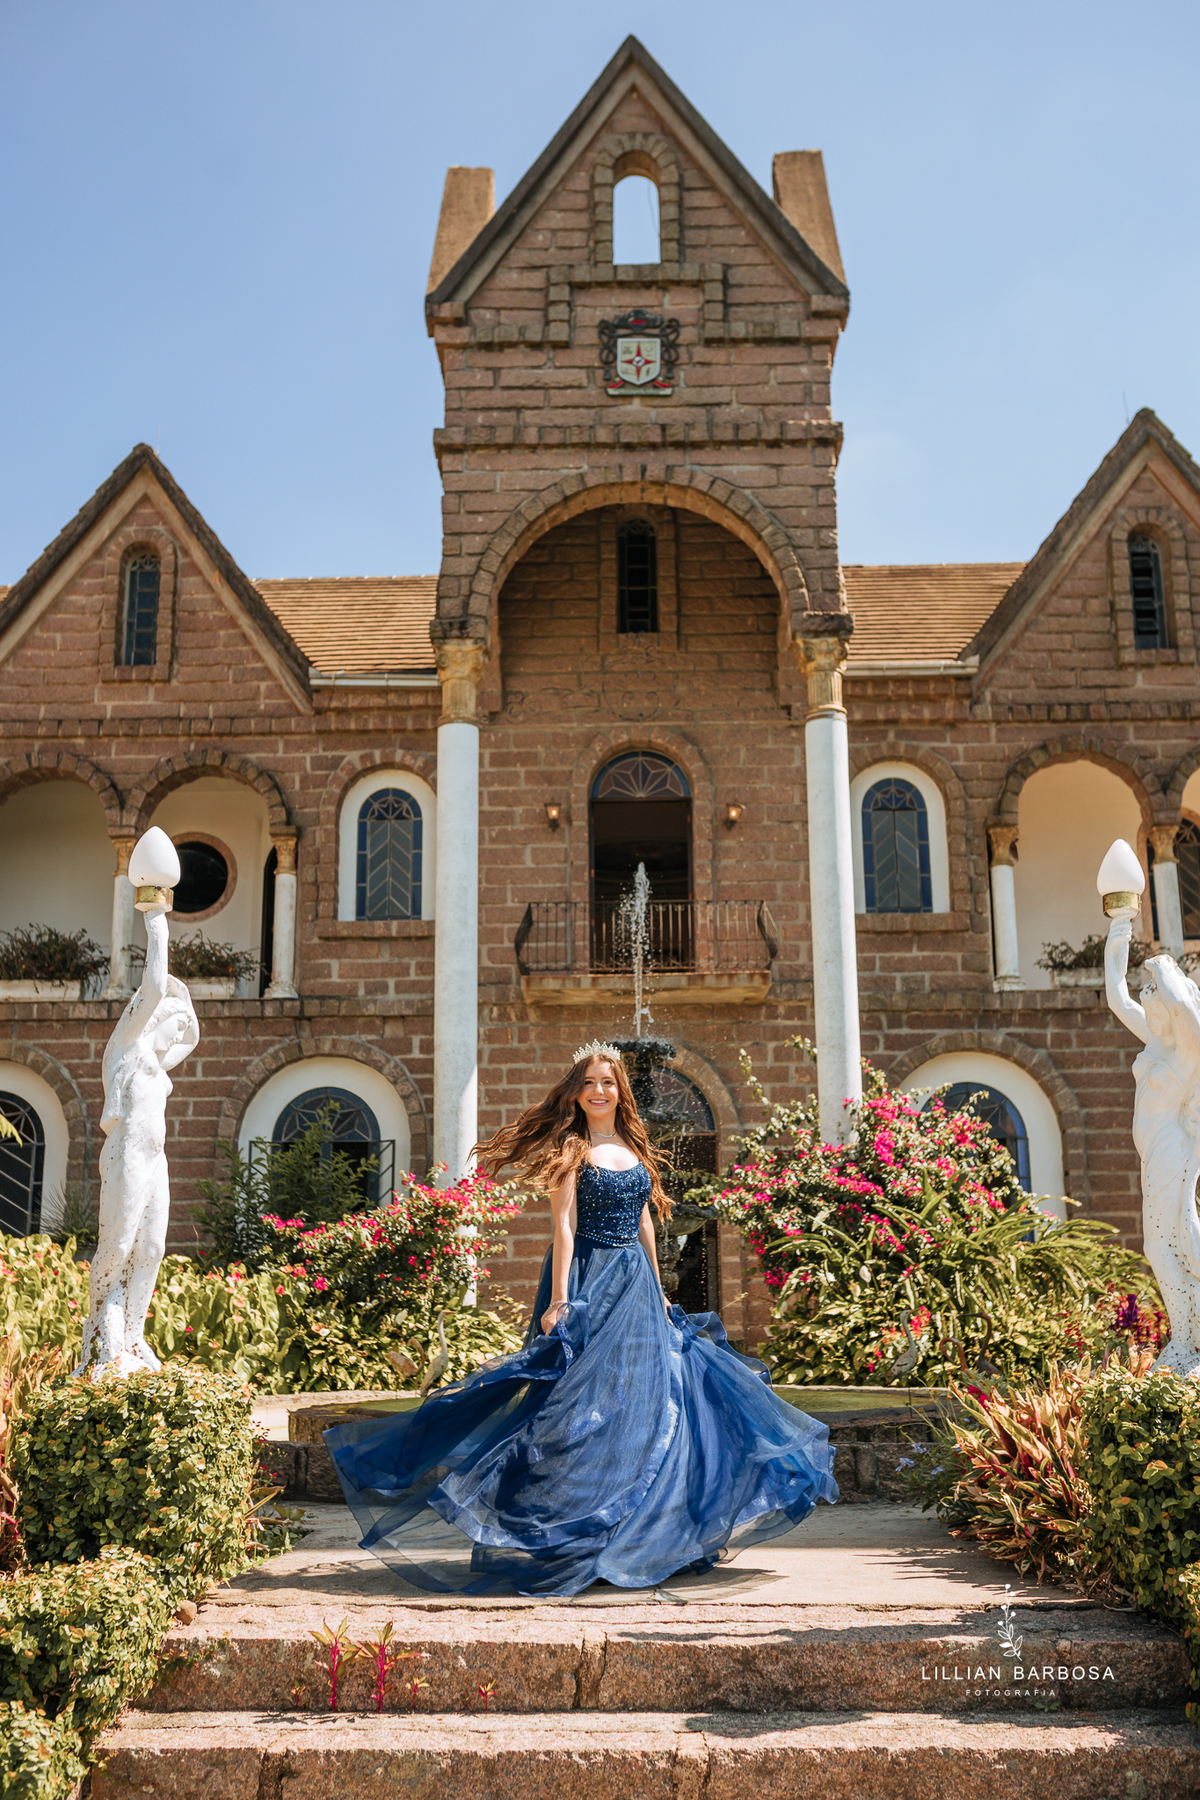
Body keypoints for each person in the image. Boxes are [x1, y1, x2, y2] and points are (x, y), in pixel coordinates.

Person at [325, 1039, 837, 1596]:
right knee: (575, 1406)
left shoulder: (633, 1149)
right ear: (577, 1091)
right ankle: (563, 1535)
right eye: (590, 1082)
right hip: (590, 1280)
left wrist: (662, 1290)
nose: (599, 1091)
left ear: (621, 1092)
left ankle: (634, 1535)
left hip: (636, 1288)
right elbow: (563, 1229)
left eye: (609, 1082)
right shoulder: (569, 1152)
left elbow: (644, 1221)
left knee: (643, 1400)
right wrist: (559, 1300)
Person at [75, 901, 200, 1377]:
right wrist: (157, 923)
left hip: (156, 1160)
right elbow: (152, 985)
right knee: (119, 1241)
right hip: (127, 1153)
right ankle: (101, 1328)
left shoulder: (161, 1072)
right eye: (179, 1025)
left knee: (151, 1247)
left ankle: (132, 1334)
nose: (180, 1037)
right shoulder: (126, 1045)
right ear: (158, 1015)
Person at [1105, 912, 1200, 1376]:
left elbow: (1186, 1011)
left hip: (1172, 1152)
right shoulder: (1156, 1043)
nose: (1146, 1004)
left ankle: (1186, 1342)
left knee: (1165, 1246)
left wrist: (1163, 967)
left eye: (1153, 997)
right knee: (1171, 1243)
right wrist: (1119, 934)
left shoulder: (1186, 1052)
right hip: (1154, 1157)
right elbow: (1116, 996)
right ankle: (1188, 1338)